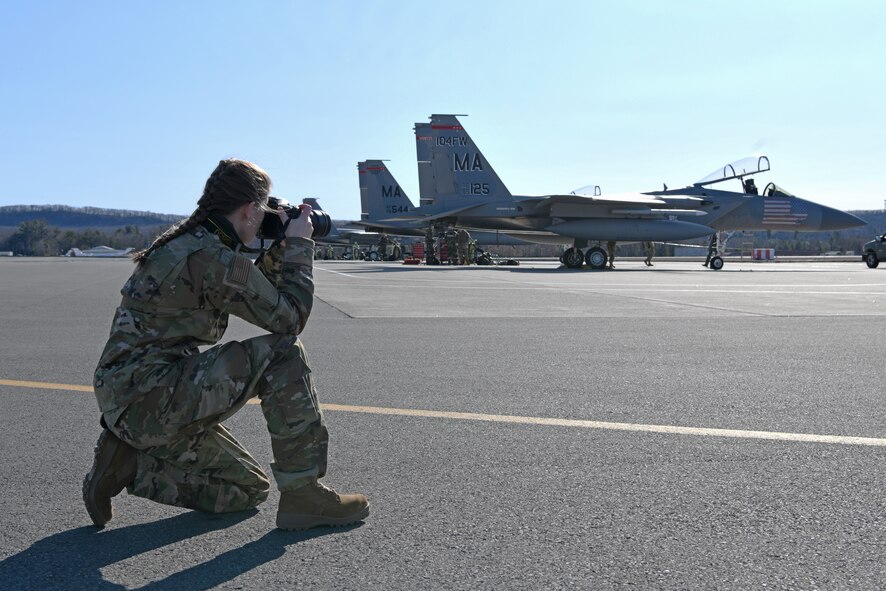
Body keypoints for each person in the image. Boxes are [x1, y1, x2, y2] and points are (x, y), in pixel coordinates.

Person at [83, 158, 369, 531]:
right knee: (282, 353)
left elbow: (256, 293)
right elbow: (288, 318)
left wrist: (282, 244)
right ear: (250, 210)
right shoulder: (212, 258)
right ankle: (304, 492)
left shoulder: (198, 244)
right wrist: (300, 241)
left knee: (247, 490)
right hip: (150, 397)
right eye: (264, 208)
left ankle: (129, 465)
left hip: (135, 397)